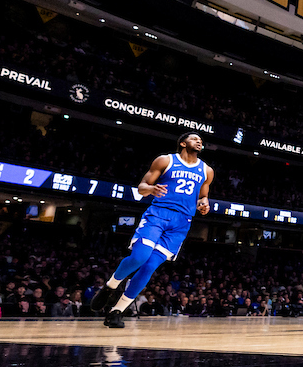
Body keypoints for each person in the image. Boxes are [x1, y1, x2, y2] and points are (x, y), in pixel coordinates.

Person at [89, 132, 214, 328]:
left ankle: (117, 311)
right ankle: (110, 286)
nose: (199, 141)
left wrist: (204, 204)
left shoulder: (207, 170)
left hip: (181, 223)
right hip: (158, 214)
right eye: (194, 139)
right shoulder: (166, 160)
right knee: (140, 257)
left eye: (200, 140)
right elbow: (141, 187)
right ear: (183, 143)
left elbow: (202, 196)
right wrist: (151, 189)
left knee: (149, 267)